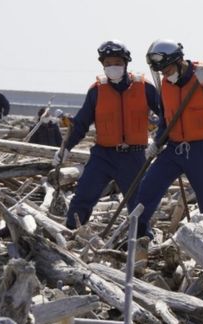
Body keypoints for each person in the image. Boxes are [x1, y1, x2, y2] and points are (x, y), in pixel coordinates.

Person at [52, 40, 161, 229]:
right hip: (103, 156)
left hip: (134, 156)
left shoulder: (144, 87)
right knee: (83, 196)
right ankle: (70, 233)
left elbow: (167, 115)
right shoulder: (96, 90)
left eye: (117, 62)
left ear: (126, 63)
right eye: (108, 64)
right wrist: (65, 148)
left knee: (138, 203)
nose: (113, 67)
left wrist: (160, 141)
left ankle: (141, 241)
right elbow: (81, 123)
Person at [136, 39, 203, 238]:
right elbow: (167, 120)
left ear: (179, 61)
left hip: (202, 149)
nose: (165, 75)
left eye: (167, 69)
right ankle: (138, 236)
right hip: (174, 149)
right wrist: (157, 143)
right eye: (161, 72)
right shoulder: (165, 84)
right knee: (147, 190)